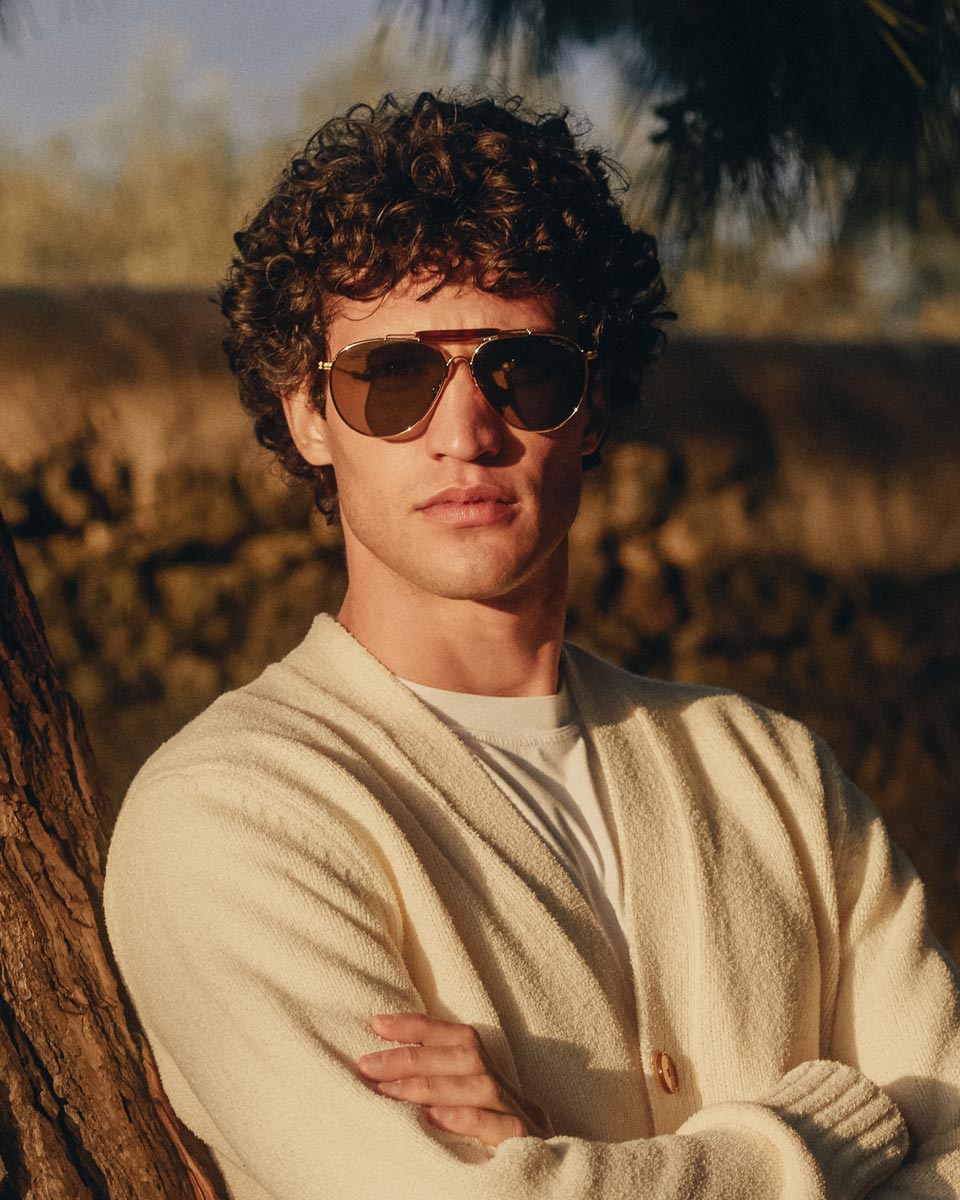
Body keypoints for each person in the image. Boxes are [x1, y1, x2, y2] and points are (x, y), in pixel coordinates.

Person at [103, 91, 960, 1199]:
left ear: (593, 404)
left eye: (527, 370)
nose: (464, 433)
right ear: (309, 415)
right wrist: (822, 1140)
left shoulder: (776, 774)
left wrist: (560, 1154)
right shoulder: (233, 814)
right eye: (394, 378)